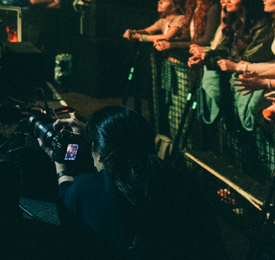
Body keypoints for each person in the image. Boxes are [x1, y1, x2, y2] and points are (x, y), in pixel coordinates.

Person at [48, 106, 226, 259]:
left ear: (100, 153)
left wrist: (59, 164)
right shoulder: (184, 186)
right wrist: (95, 133)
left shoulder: (88, 189)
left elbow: (67, 205)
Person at [154, 0, 220, 55]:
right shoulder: (194, 8)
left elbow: (206, 41)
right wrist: (165, 42)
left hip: (207, 56)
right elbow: (187, 37)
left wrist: (170, 45)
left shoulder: (213, 8)